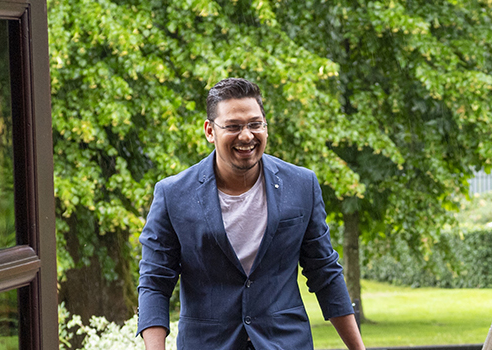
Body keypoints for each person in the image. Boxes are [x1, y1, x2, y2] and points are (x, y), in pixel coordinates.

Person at [135, 78, 366, 350]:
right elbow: (154, 282)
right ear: (210, 131)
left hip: (286, 343)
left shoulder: (302, 185)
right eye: (233, 126)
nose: (246, 135)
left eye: (255, 124)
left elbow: (325, 272)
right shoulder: (173, 194)